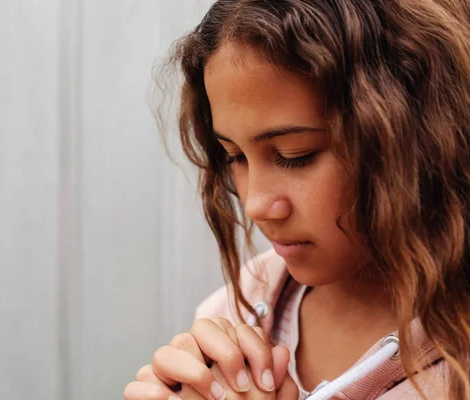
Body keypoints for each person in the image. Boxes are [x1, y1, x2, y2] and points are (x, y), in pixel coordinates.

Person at [124, 0, 470, 399]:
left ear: (420, 135)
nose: (254, 204)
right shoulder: (239, 311)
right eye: (235, 156)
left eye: (295, 155)